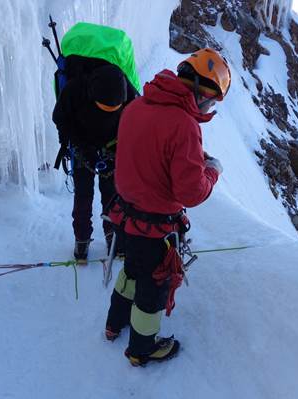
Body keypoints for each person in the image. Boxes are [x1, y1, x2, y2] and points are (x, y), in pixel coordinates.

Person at [103, 48, 231, 366]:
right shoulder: (184, 125)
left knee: (132, 271)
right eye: (212, 99)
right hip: (155, 225)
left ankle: (113, 323)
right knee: (154, 286)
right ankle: (142, 348)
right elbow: (191, 192)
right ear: (202, 90)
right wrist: (211, 171)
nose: (209, 106)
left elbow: (148, 151)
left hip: (125, 216)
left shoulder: (138, 105)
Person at [52, 64, 136, 263]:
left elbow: (136, 120)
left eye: (113, 109)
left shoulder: (129, 93)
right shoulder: (75, 90)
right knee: (84, 194)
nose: (108, 112)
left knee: (111, 195)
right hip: (83, 147)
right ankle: (82, 239)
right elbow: (61, 119)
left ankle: (113, 236)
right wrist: (82, 148)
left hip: (112, 148)